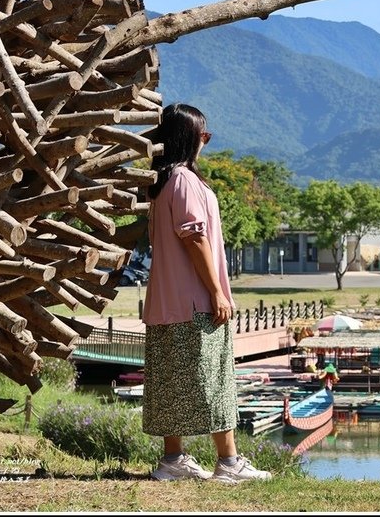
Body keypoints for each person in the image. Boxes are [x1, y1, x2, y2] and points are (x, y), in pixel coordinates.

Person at [141, 104, 271, 485]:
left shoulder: (162, 184)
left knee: (170, 382)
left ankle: (173, 459)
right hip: (195, 300)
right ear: (190, 138)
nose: (207, 141)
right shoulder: (184, 181)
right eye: (204, 134)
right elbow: (195, 237)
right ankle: (229, 463)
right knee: (214, 379)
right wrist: (217, 291)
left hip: (165, 303)